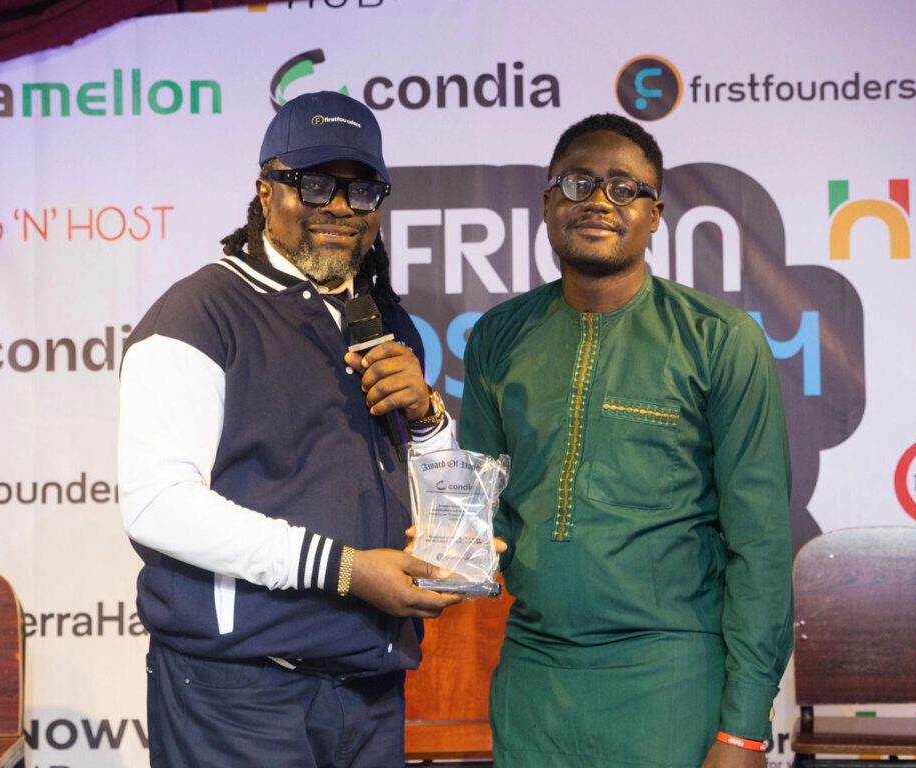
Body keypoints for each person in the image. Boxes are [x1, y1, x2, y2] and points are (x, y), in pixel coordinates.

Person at [117, 90, 460, 768]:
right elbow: (158, 506)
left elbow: (423, 497)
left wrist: (428, 419)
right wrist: (347, 571)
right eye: (315, 183)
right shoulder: (200, 312)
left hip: (370, 688)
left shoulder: (387, 322)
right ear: (266, 191)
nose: (340, 206)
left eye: (361, 189)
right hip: (240, 693)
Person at [460, 113, 793, 768]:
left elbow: (760, 545)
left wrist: (744, 728)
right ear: (547, 202)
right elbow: (479, 507)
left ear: (655, 214)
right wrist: (447, 548)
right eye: (577, 183)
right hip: (534, 680)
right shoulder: (498, 336)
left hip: (671, 681)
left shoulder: (719, 339)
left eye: (623, 188)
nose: (597, 202)